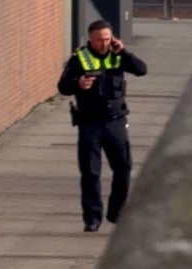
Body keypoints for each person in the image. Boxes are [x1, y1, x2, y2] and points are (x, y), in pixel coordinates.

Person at [57, 20, 148, 232]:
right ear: (90, 39)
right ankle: (92, 218)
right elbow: (63, 87)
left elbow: (141, 70)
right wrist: (78, 83)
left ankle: (116, 212)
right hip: (90, 123)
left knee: (123, 169)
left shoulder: (117, 55)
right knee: (91, 173)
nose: (104, 43)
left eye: (107, 39)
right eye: (99, 40)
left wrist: (123, 52)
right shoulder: (80, 58)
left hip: (116, 122)